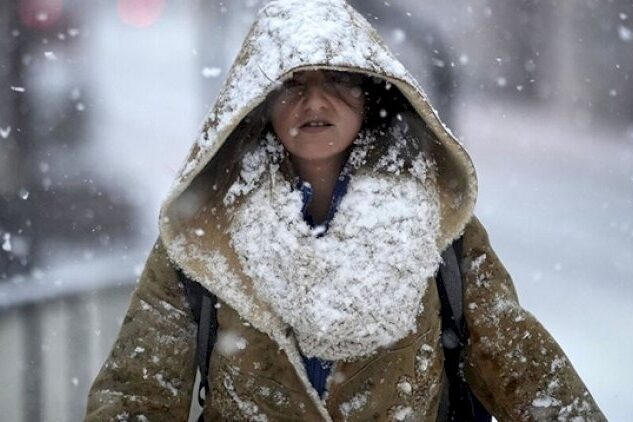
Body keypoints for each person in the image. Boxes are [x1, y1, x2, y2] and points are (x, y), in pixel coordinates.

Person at [85, 0, 606, 420]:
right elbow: (137, 397)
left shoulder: (439, 230)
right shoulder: (203, 237)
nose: (315, 103)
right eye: (292, 84)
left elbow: (528, 375)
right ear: (259, 103)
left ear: (370, 94)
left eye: (336, 80)